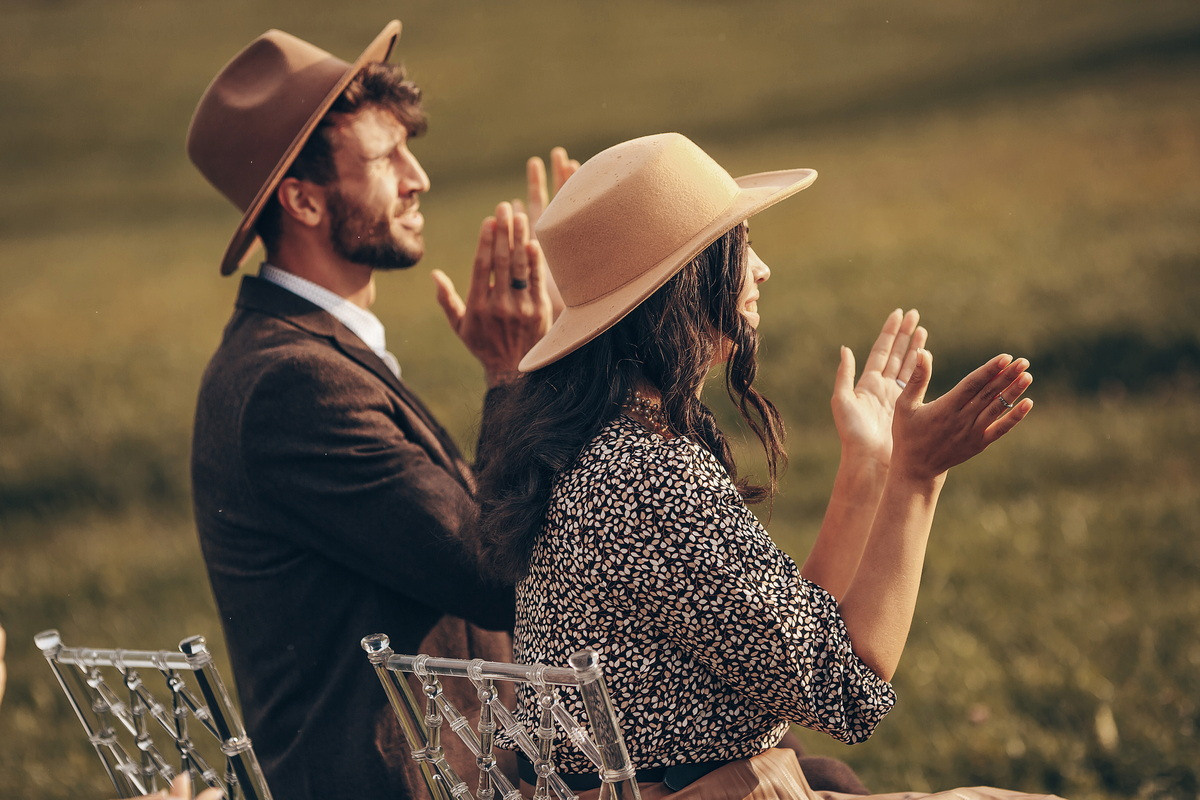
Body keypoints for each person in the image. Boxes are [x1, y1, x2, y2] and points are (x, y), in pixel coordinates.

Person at [477, 133, 1061, 799]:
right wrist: (918, 478)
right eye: (741, 245)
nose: (762, 269)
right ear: (687, 280)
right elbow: (846, 691)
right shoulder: (648, 476)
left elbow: (781, 650)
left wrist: (868, 466)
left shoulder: (588, 446)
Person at [185, 21, 564, 800]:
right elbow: (496, 574)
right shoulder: (293, 386)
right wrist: (512, 373)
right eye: (387, 158)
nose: (419, 177)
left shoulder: (303, 357)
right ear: (303, 200)